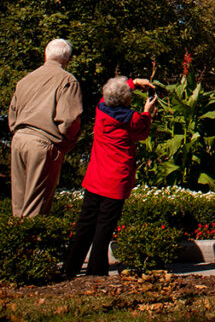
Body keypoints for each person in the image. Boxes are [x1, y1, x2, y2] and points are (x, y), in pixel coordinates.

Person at [64, 76, 157, 278]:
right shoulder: (132, 119)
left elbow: (108, 95)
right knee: (104, 227)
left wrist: (132, 82)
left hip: (96, 177)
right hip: (116, 180)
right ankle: (96, 271)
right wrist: (148, 110)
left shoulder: (100, 110)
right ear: (126, 99)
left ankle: (70, 266)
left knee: (85, 223)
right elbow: (142, 132)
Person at [8, 38, 83, 217]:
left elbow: (12, 116)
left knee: (18, 204)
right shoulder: (67, 80)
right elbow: (70, 120)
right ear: (68, 59)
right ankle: (31, 244)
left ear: (46, 54)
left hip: (19, 140)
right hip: (43, 144)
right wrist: (65, 145)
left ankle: (17, 242)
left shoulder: (25, 80)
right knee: (36, 207)